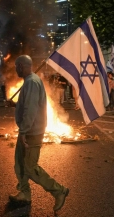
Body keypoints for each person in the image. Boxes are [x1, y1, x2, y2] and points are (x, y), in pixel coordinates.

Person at [9, 55, 69, 212]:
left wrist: (23, 131)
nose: (15, 69)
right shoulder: (30, 81)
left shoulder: (32, 83)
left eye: (16, 66)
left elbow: (31, 110)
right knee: (20, 163)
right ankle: (24, 193)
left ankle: (59, 190)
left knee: (30, 167)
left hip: (32, 132)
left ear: (21, 66)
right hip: (28, 130)